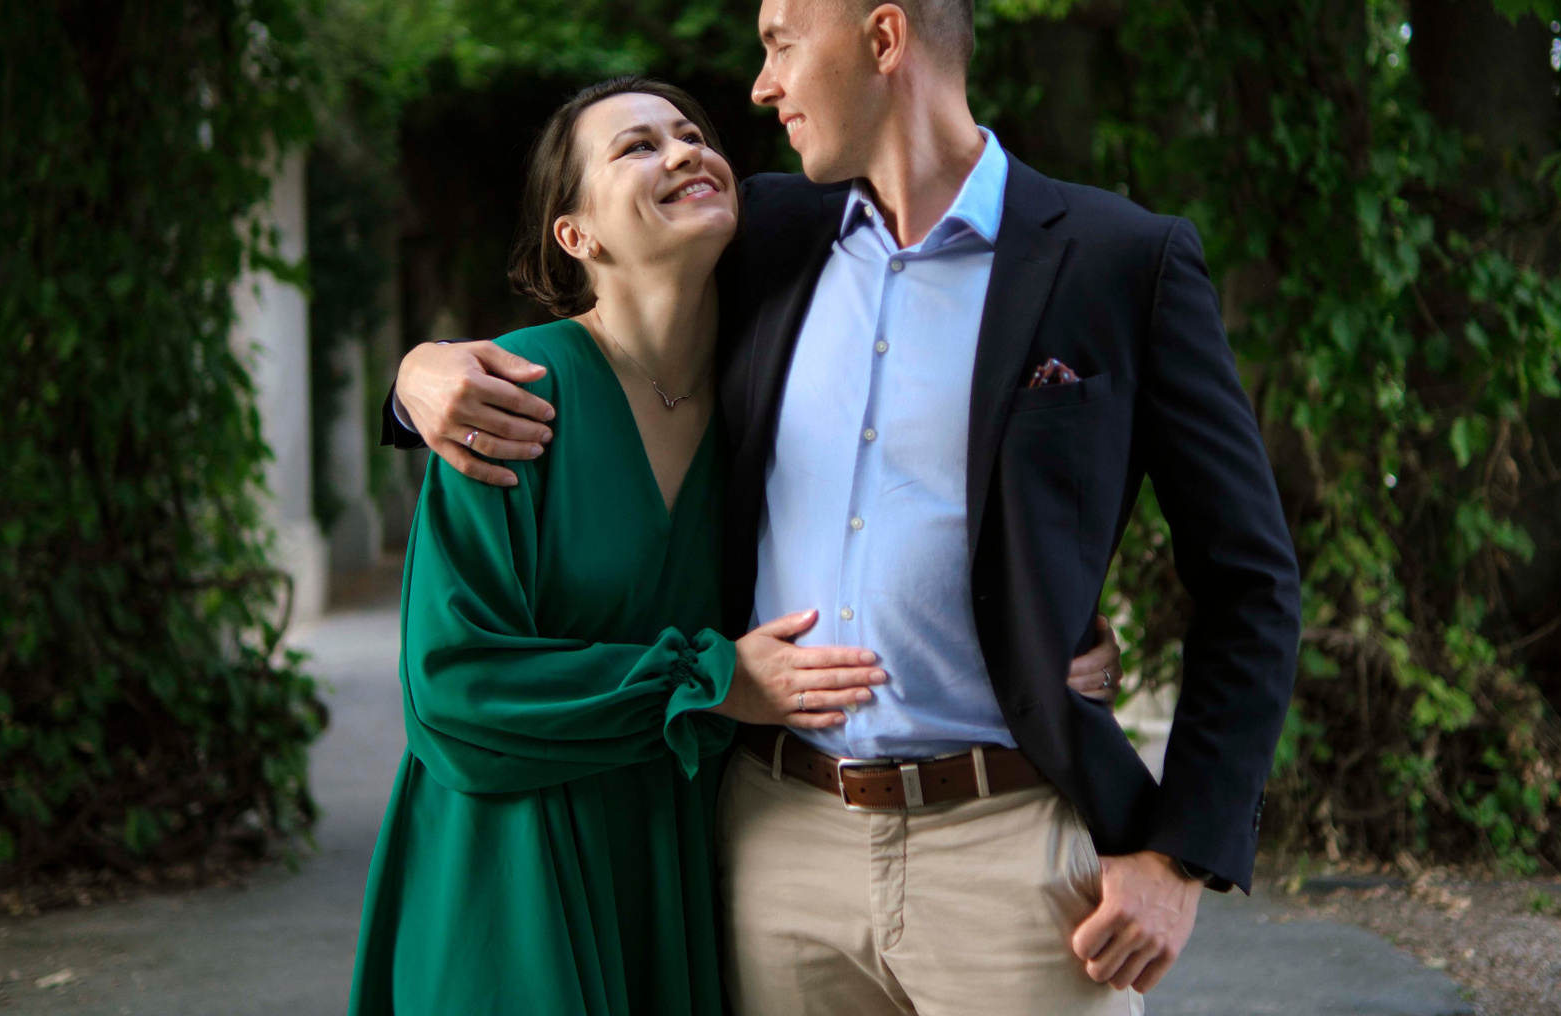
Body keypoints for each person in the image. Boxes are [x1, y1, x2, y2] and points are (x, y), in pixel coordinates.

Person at [386, 0, 1301, 1015]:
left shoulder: (1122, 261)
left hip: (1011, 849)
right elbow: (612, 328)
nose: (757, 86)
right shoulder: (767, 234)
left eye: (780, 43)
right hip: (776, 844)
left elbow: (1249, 579)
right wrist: (414, 378)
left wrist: (1179, 851)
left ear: (883, 38)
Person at [350, 74, 1120, 1016]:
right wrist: (712, 682)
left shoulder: (772, 395)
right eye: (637, 147)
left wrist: (1046, 625)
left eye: (690, 134)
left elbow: (903, 523)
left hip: (680, 852)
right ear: (576, 235)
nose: (682, 151)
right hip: (510, 861)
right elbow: (451, 690)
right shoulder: (512, 398)